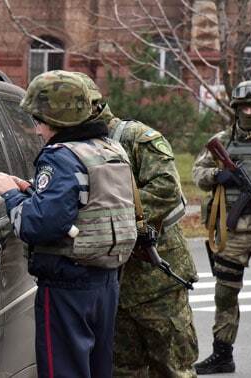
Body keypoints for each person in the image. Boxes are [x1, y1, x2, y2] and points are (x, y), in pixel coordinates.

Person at [0, 70, 137, 378]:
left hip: (67, 285)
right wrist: (32, 190)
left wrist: (11, 195)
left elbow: (37, 226)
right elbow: (86, 201)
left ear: (53, 118)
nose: (38, 129)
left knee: (64, 371)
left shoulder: (60, 156)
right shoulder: (110, 149)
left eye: (38, 120)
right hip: (106, 281)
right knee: (97, 370)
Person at [73, 72, 199, 377]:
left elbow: (166, 189)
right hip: (109, 283)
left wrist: (107, 214)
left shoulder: (135, 138)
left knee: (171, 368)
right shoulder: (69, 147)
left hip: (154, 280)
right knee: (121, 370)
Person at [192, 80, 251, 374]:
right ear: (234, 109)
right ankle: (222, 355)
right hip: (230, 232)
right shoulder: (222, 140)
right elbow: (197, 173)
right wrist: (218, 175)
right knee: (224, 293)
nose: (248, 111)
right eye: (243, 107)